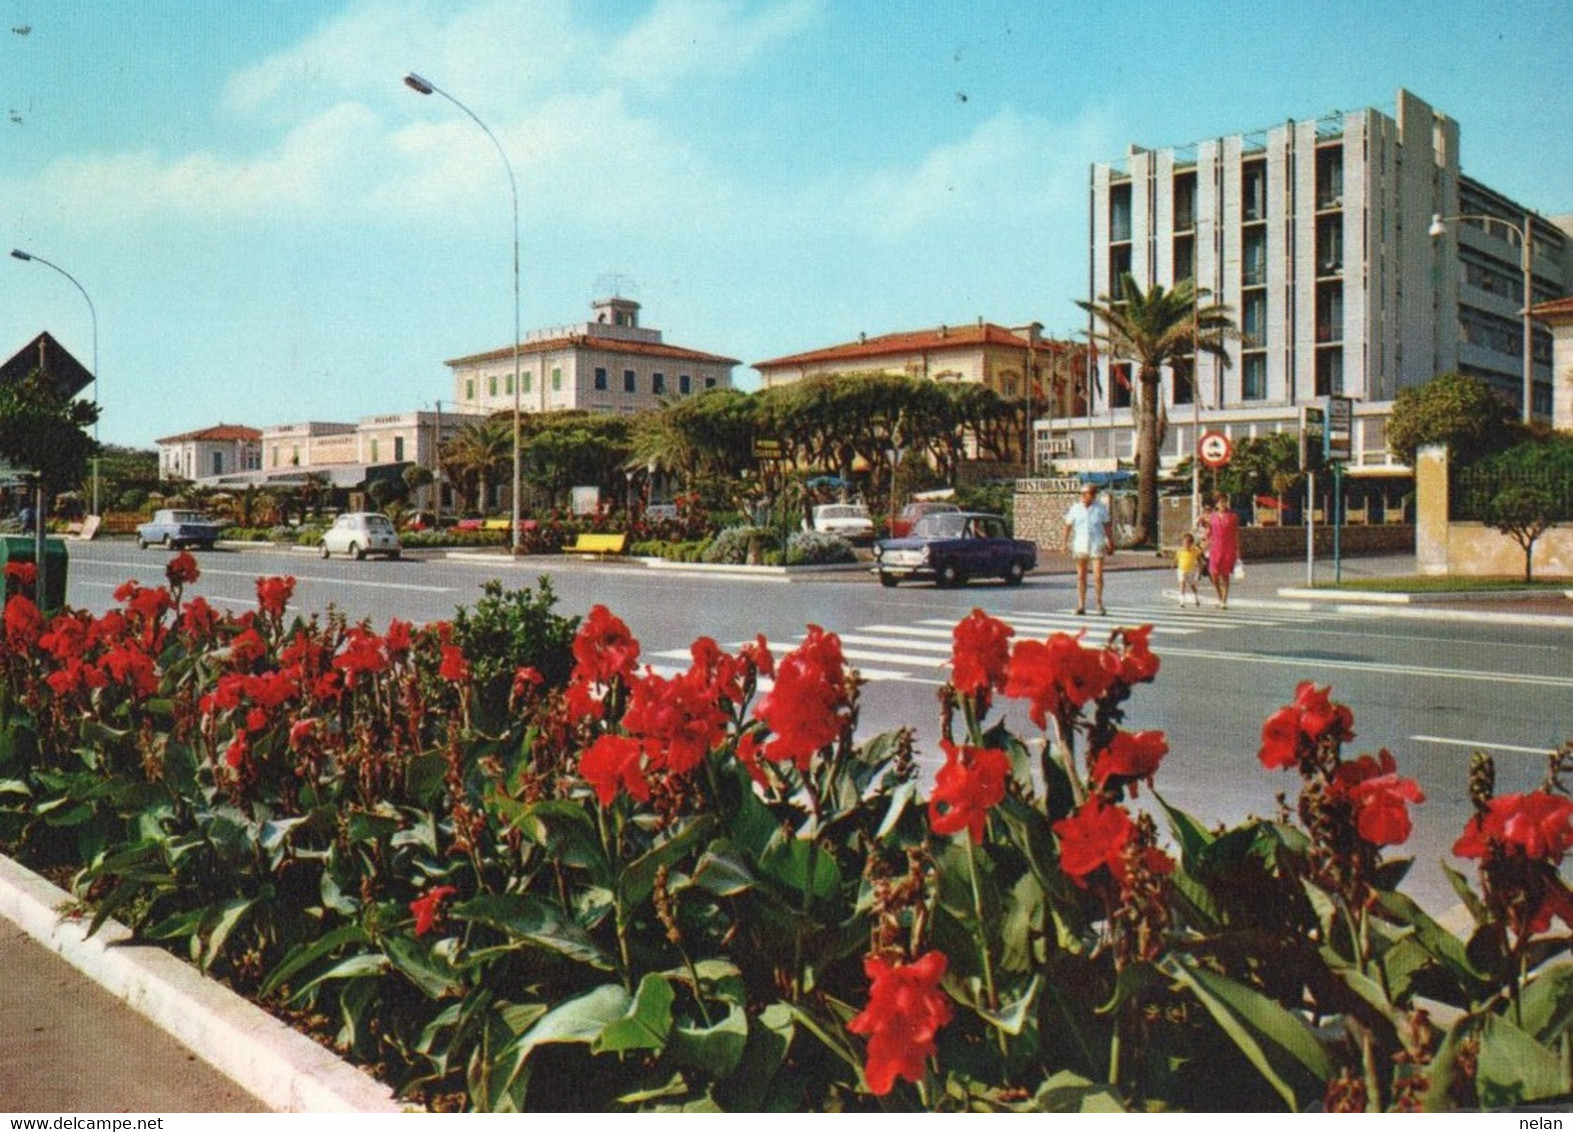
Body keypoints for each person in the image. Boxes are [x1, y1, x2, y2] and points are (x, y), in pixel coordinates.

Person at [1063, 483, 1113, 615]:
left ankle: (1099, 603)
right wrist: (1064, 543)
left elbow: (1107, 525)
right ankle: (1081, 604)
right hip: (1080, 544)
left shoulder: (1100, 508)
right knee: (1081, 576)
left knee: (1098, 576)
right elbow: (1068, 525)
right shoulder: (1075, 508)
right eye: (1083, 493)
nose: (1084, 496)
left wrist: (1110, 541)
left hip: (1096, 543)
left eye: (1088, 493)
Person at [1200, 493, 1240, 609]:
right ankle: (1218, 596)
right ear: (1216, 504)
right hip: (1215, 547)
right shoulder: (1212, 517)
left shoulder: (1232, 517)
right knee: (1213, 573)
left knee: (1225, 574)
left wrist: (1238, 550)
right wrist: (1205, 539)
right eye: (1221, 502)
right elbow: (1209, 531)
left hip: (1228, 547)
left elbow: (1236, 533)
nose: (1223, 504)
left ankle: (1224, 600)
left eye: (1225, 502)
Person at [1174, 532, 1202, 607]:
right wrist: (1173, 565)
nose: (1187, 545)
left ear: (1192, 543)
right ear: (1182, 543)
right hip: (1181, 570)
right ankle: (1182, 601)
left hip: (1190, 570)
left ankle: (1196, 597)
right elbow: (1176, 559)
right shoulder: (1180, 551)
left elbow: (1199, 560)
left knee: (1192, 585)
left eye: (1189, 543)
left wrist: (1199, 571)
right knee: (1182, 583)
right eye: (1185, 543)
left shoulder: (1194, 551)